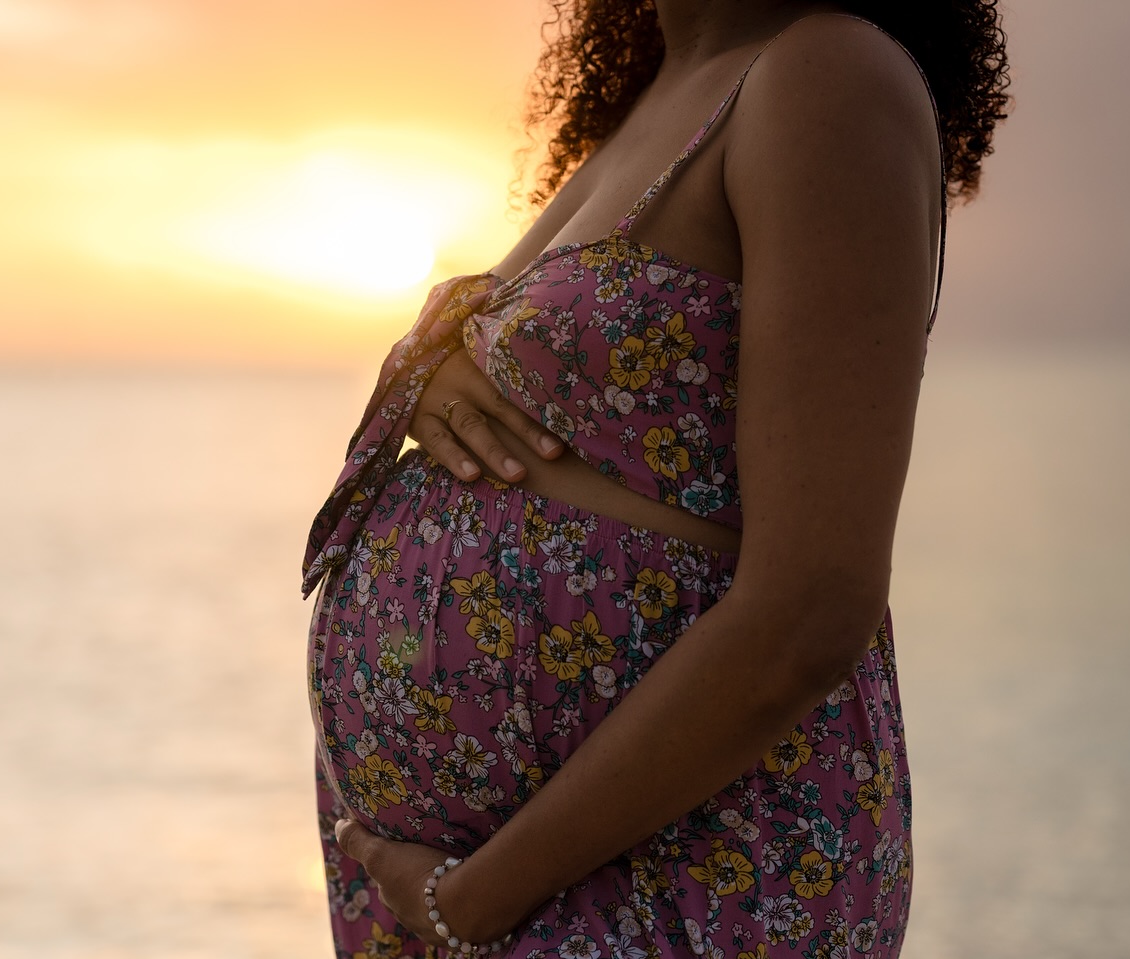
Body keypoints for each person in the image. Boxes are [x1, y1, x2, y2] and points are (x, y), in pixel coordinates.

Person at [302, 2, 1009, 956]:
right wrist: (435, 377)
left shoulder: (827, 77)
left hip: (667, 874)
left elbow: (813, 607)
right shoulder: (656, 96)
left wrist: (475, 900)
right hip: (484, 890)